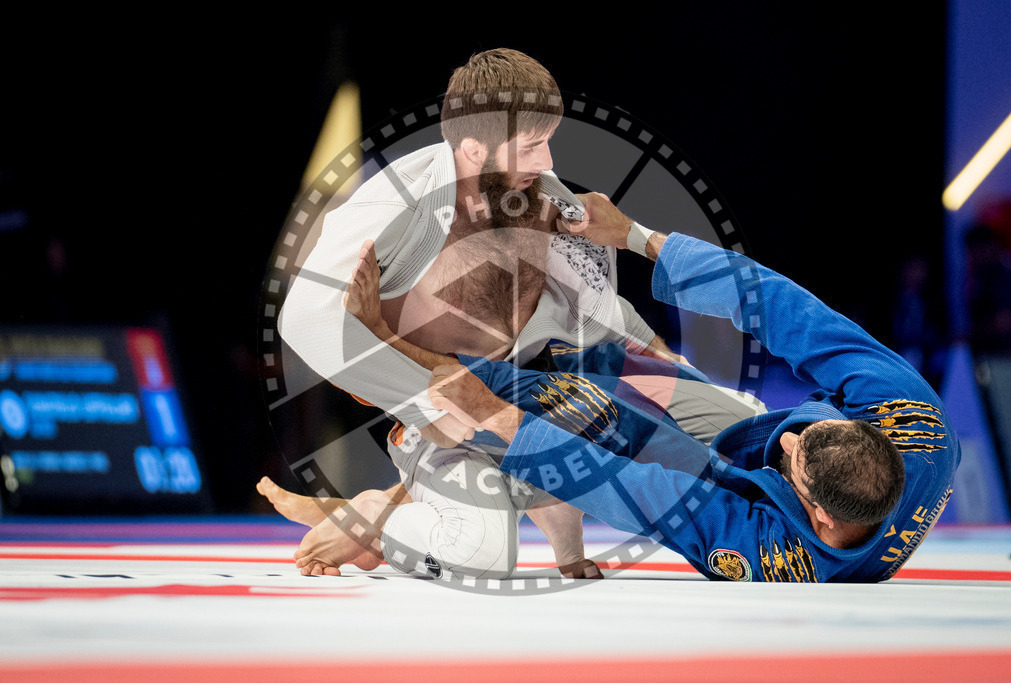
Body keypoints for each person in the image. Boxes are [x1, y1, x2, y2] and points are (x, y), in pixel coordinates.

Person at [271, 48, 697, 579]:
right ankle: (376, 519)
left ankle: (413, 500)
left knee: (697, 423)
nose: (546, 162)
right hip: (446, 427)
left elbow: (604, 311)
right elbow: (304, 319)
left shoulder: (543, 197)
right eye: (532, 146)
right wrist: (427, 401)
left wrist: (679, 378)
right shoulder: (393, 205)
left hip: (532, 404)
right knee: (484, 553)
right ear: (473, 146)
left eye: (549, 141)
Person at [423, 193, 960, 582]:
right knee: (645, 369)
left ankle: (442, 388)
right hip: (753, 437)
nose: (793, 441)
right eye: (810, 434)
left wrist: (492, 413)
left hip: (739, 491)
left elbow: (635, 491)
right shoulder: (918, 424)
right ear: (883, 442)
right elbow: (781, 305)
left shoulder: (778, 555)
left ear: (820, 516)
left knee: (606, 426)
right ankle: (582, 357)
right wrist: (635, 236)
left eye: (796, 457)